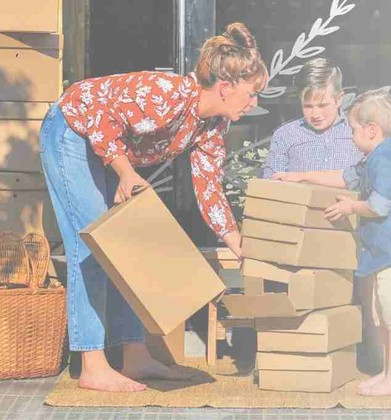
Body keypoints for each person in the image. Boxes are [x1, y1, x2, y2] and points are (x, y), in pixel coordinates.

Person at [39, 23, 267, 392]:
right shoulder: (169, 93)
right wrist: (126, 172)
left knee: (126, 247)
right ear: (226, 87)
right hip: (73, 131)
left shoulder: (212, 125)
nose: (254, 102)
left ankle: (135, 357)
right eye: (252, 93)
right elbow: (100, 117)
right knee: (93, 249)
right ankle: (92, 366)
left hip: (108, 149)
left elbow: (209, 186)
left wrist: (237, 242)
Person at [273, 89, 391, 396]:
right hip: (387, 255)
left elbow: (379, 205)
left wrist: (350, 207)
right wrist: (301, 176)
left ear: (371, 130)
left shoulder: (384, 161)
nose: (350, 136)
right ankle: (387, 372)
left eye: (353, 130)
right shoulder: (374, 158)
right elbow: (345, 178)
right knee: (383, 314)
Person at [261, 58, 363, 179]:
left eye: (323, 105)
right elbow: (270, 183)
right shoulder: (286, 135)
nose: (315, 114)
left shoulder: (358, 131)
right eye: (308, 106)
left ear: (339, 99)